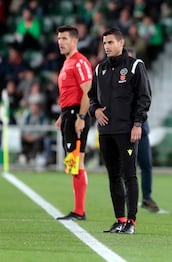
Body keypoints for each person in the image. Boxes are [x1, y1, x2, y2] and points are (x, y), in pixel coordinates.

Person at [89, 28, 151, 234]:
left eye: (110, 42)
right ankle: (119, 219)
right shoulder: (99, 69)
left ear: (121, 43)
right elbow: (92, 98)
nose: (106, 46)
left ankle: (131, 222)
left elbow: (144, 97)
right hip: (105, 132)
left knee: (129, 175)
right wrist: (95, 110)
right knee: (113, 176)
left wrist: (138, 124)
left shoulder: (135, 66)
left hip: (127, 131)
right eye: (104, 43)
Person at [55, 25, 92, 221]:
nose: (60, 42)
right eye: (59, 38)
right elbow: (70, 93)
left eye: (64, 38)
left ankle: (79, 211)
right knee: (73, 162)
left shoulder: (79, 62)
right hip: (69, 114)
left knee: (77, 162)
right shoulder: (67, 63)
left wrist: (81, 117)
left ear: (75, 41)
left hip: (77, 115)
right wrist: (63, 115)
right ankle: (78, 210)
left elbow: (88, 91)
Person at [127, 48, 160, 213]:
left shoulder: (141, 78)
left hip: (142, 128)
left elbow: (146, 100)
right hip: (125, 128)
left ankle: (146, 197)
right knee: (126, 166)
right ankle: (127, 197)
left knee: (146, 164)